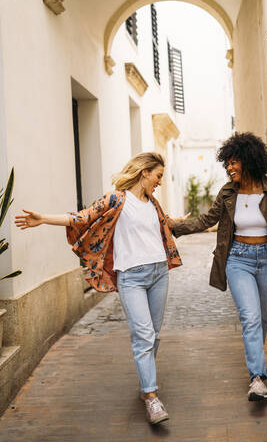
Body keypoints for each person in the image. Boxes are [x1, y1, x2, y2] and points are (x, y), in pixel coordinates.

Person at [15, 152, 186, 424]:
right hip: (131, 277)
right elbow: (81, 218)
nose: (160, 182)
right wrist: (44, 218)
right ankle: (151, 396)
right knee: (143, 336)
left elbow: (164, 226)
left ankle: (146, 380)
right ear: (144, 173)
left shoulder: (153, 203)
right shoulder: (115, 199)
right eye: (158, 176)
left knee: (152, 334)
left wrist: (182, 221)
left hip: (159, 273)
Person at [171, 132, 267, 401]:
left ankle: (256, 365)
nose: (229, 168)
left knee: (261, 319)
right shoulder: (228, 192)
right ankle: (257, 378)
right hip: (238, 258)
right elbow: (207, 219)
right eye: (226, 163)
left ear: (249, 160)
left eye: (234, 162)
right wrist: (174, 226)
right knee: (250, 318)